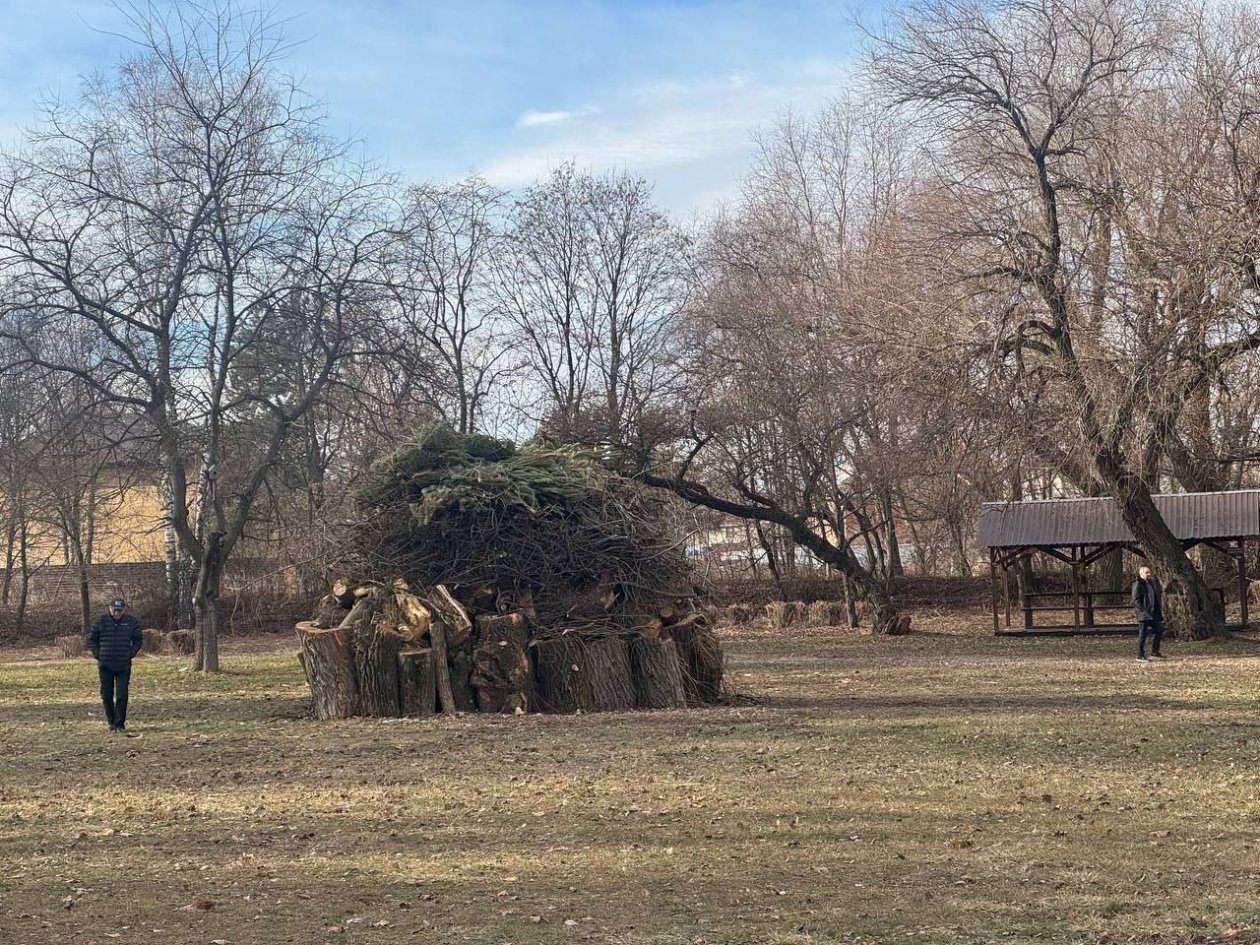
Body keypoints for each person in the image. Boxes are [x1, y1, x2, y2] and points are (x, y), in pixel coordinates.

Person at [87, 597, 143, 734]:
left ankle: (120, 723)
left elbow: (138, 639)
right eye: (114, 610)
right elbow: (91, 639)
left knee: (122, 695)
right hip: (105, 664)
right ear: (110, 609)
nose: (117, 613)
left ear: (124, 610)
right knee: (106, 695)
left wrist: (131, 653)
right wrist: (98, 654)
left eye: (120, 610)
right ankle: (111, 722)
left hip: (123, 665)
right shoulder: (101, 621)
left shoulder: (131, 621)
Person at [1131, 566, 1165, 662]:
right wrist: (1143, 610)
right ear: (1141, 574)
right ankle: (1140, 655)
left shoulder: (1150, 584)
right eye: (1146, 572)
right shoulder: (1138, 584)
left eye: (1149, 572)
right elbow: (1135, 599)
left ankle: (1155, 652)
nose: (1149, 574)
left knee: (1159, 630)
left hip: (1153, 614)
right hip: (1144, 614)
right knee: (1142, 634)